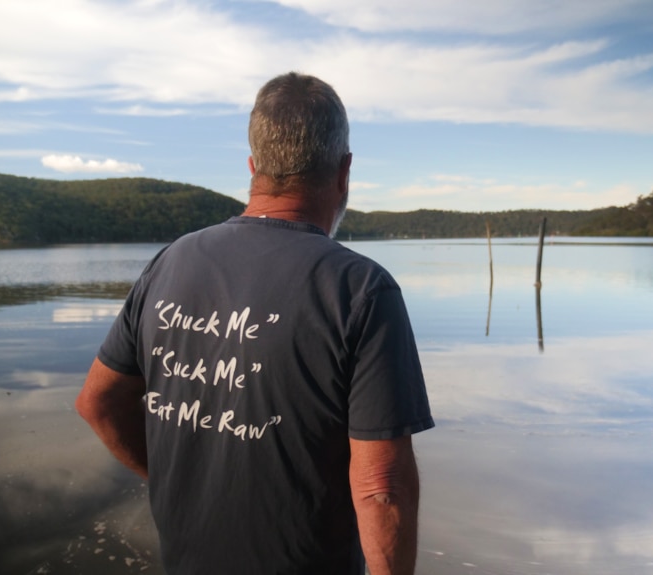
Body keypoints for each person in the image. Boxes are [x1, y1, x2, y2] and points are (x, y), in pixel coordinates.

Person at [76, 72, 434, 575]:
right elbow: (381, 489)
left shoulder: (170, 262)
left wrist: (168, 479)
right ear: (344, 171)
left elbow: (97, 402)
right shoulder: (360, 290)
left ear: (253, 167)